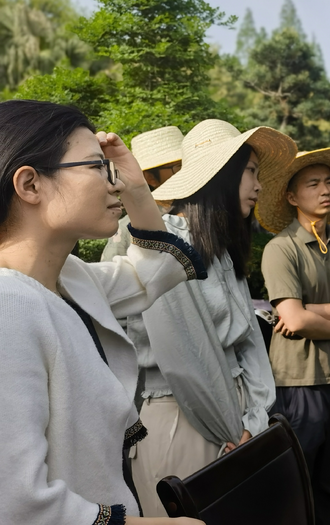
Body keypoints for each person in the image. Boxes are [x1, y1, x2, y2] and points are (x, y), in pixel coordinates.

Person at [0, 99, 206, 525]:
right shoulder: (9, 305)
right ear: (30, 185)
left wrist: (137, 187)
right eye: (98, 167)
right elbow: (16, 503)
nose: (115, 184)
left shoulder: (70, 278)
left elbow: (163, 268)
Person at [104, 119, 297, 517]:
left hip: (237, 418)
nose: (259, 186)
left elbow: (249, 343)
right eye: (250, 172)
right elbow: (184, 357)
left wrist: (253, 418)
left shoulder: (221, 246)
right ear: (221, 174)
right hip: (184, 416)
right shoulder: (163, 239)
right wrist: (234, 428)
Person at [256, 148, 330, 525]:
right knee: (295, 482)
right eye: (313, 184)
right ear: (292, 197)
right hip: (297, 383)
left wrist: (305, 311)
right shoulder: (280, 248)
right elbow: (297, 320)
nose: (325, 190)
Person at [102, 125, 184, 261]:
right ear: (150, 178)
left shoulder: (207, 210)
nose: (186, 170)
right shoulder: (129, 229)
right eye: (178, 166)